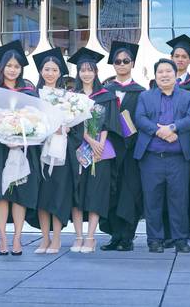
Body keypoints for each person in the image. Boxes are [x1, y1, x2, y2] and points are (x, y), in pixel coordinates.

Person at [0, 40, 39, 256]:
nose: (13, 70)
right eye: (9, 66)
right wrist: (2, 136)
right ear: (2, 67)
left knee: (20, 194)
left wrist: (23, 137)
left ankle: (17, 238)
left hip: (23, 149)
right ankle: (3, 237)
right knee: (1, 193)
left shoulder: (29, 92)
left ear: (21, 69)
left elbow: (36, 119)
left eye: (16, 66)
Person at [134, 58, 190, 253]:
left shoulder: (187, 96)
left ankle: (181, 239)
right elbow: (139, 118)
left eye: (168, 71)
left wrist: (172, 127)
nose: (164, 75)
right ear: (155, 76)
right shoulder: (145, 96)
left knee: (179, 199)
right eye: (160, 72)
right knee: (152, 200)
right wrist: (158, 131)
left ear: (175, 74)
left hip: (178, 159)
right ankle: (154, 239)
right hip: (151, 158)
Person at [67, 48, 121, 254]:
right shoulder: (73, 97)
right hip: (78, 151)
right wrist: (90, 140)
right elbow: (72, 124)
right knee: (77, 193)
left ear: (96, 72)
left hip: (101, 153)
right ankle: (78, 236)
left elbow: (110, 123)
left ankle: (90, 237)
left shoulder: (106, 96)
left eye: (90, 70)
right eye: (83, 70)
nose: (86, 74)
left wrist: (99, 144)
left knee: (96, 193)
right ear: (78, 73)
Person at [100, 41, 146, 252]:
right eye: (117, 61)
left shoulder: (141, 92)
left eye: (126, 61)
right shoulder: (105, 91)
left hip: (131, 150)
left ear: (132, 63)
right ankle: (114, 235)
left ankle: (127, 236)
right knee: (111, 191)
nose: (121, 64)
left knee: (129, 192)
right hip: (108, 148)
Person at [32, 48, 74, 255]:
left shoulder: (67, 97)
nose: (50, 73)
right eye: (46, 69)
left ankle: (56, 238)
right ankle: (45, 238)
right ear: (41, 71)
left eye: (54, 70)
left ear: (60, 73)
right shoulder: (33, 95)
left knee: (58, 194)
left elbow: (74, 121)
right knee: (42, 196)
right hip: (38, 151)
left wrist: (66, 127)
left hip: (60, 150)